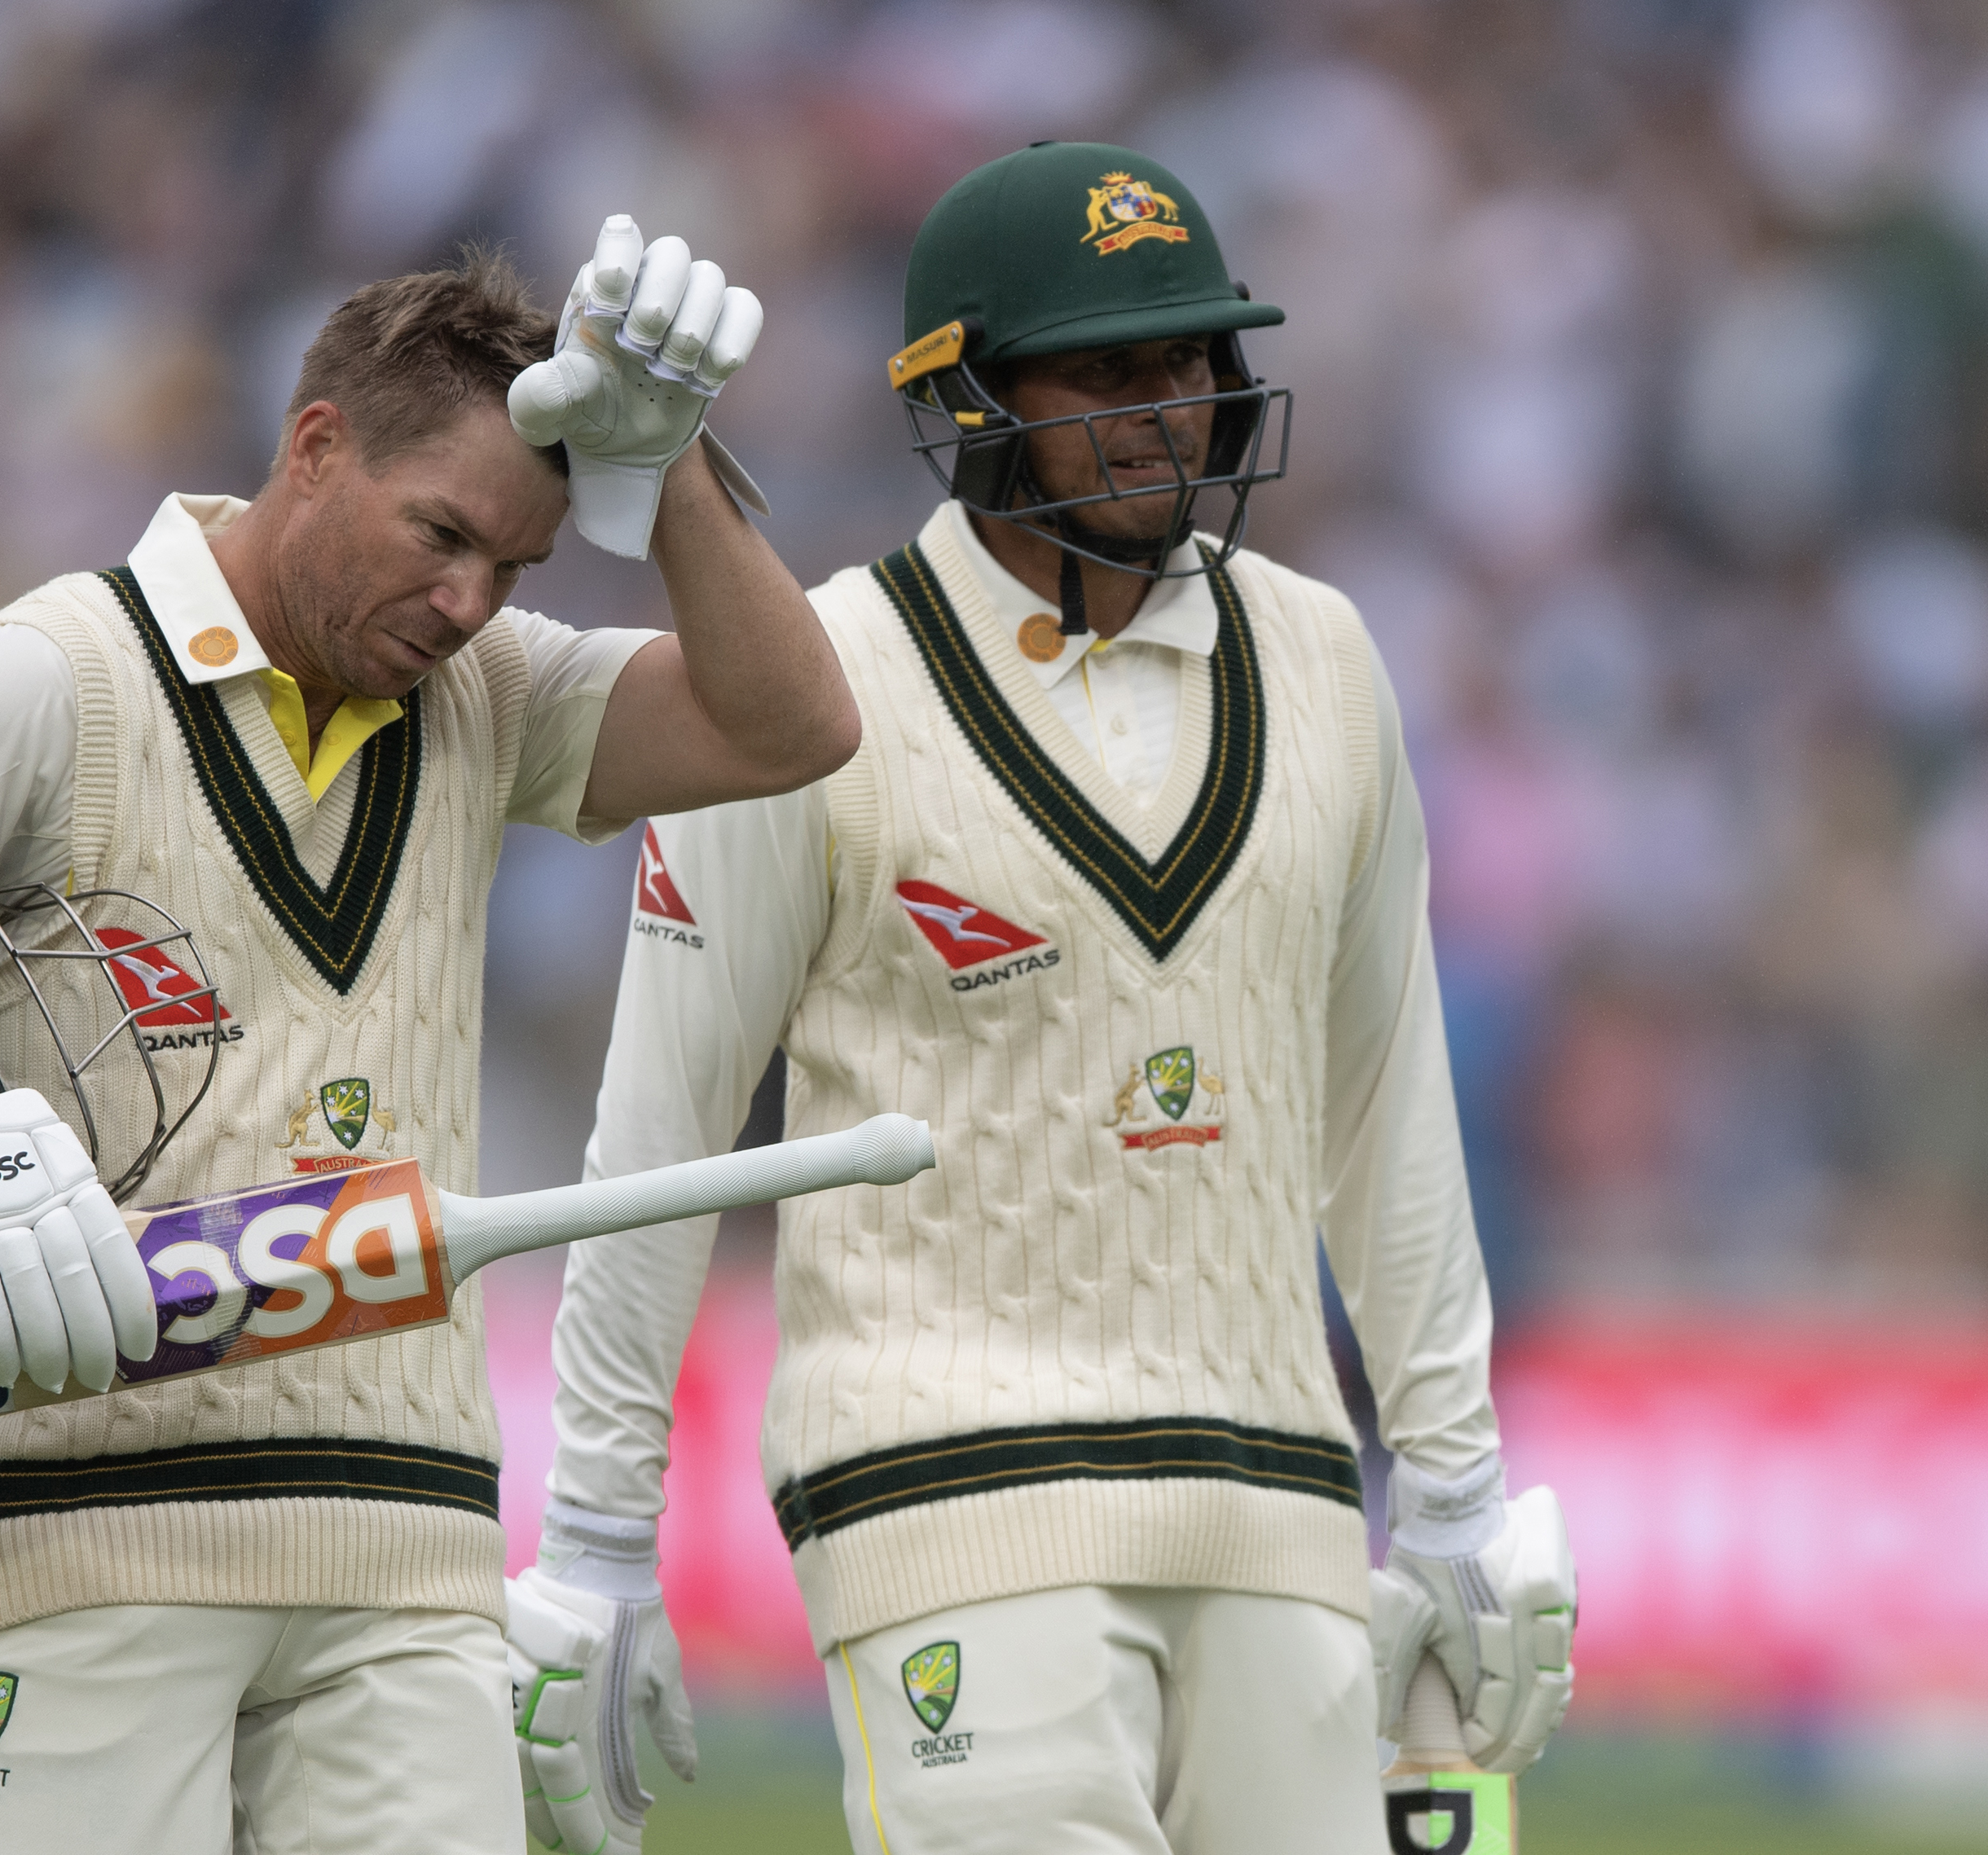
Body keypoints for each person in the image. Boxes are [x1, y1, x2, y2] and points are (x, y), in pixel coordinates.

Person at [0, 224, 860, 1855]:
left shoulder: (491, 690)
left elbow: (794, 725)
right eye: (442, 534)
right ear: (315, 448)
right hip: (73, 1527)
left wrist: (678, 461)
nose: (468, 597)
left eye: (513, 566)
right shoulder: (48, 674)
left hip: (405, 1549)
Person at [511, 144, 1574, 1855]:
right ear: (973, 395)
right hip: (947, 1487)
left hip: (1279, 1497)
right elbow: (662, 1129)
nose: (1169, 408)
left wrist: (1448, 1479)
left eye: (1193, 363)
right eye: (1109, 369)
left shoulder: (1325, 661)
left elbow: (1386, 1103)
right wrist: (593, 1535)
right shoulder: (809, 683)